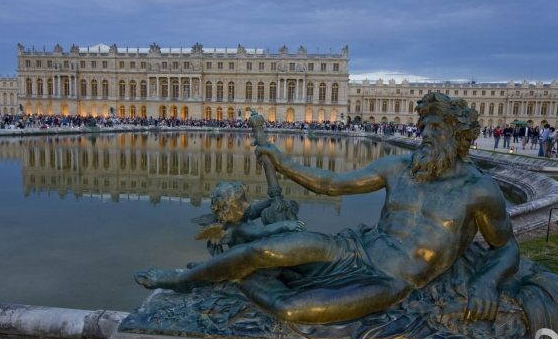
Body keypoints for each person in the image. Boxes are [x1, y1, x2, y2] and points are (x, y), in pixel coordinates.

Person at [136, 94, 519, 325]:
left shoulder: (479, 190)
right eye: (426, 127)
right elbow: (334, 184)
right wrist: (283, 165)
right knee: (262, 249)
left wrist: (487, 281)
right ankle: (180, 279)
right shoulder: (400, 168)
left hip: (392, 280)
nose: (426, 136)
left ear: (460, 136)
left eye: (438, 129)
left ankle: (236, 277)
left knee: (292, 309)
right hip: (355, 248)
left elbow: (506, 247)